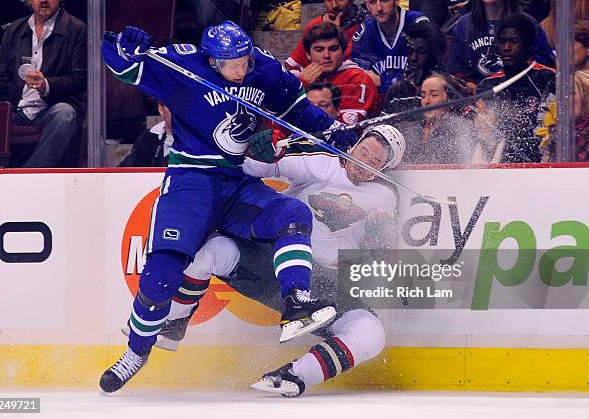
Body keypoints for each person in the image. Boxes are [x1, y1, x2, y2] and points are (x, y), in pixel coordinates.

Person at [99, 21, 357, 393]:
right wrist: (123, 42)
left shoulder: (265, 68)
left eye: (242, 60)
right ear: (211, 59)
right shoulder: (182, 63)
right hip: (191, 182)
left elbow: (300, 112)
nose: (239, 69)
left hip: (235, 182)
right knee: (159, 280)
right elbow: (121, 64)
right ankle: (136, 352)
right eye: (229, 64)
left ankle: (297, 301)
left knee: (291, 214)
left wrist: (334, 132)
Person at [124, 124, 405, 397]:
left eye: (374, 161)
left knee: (371, 332)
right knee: (211, 251)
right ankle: (174, 322)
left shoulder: (385, 197)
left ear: (383, 169)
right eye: (364, 151)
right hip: (272, 263)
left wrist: (376, 233)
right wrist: (263, 149)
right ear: (355, 145)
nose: (364, 162)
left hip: (324, 283)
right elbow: (257, 168)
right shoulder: (321, 162)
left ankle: (295, 375)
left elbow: (376, 252)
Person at [0, 0, 86, 168]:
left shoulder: (77, 29)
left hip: (52, 107)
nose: (43, 0)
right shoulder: (15, 29)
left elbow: (80, 79)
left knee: (64, 113)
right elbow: (0, 76)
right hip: (18, 108)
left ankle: (29, 174)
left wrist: (46, 85)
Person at [475, 12, 556, 163]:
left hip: (540, 164)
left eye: (514, 41)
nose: (506, 47)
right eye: (502, 41)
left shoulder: (547, 78)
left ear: (528, 44)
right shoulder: (488, 85)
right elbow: (483, 136)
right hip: (498, 165)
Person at [446, 0, 554, 92]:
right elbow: (456, 71)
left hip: (521, 93)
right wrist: (467, 83)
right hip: (479, 97)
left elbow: (544, 69)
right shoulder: (463, 25)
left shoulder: (527, 24)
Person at [298, 22, 378, 124]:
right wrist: (301, 85)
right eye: (319, 50)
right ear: (308, 55)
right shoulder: (304, 79)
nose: (326, 55)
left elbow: (348, 131)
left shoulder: (357, 79)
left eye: (333, 49)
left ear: (343, 51)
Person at [352, 0, 429, 94]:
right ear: (367, 5)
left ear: (397, 1)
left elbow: (424, 76)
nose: (379, 8)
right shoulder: (366, 29)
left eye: (385, 1)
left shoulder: (417, 22)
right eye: (373, 2)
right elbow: (360, 78)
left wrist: (382, 81)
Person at [401, 72, 475, 164]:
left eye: (434, 95)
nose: (426, 101)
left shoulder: (461, 130)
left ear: (449, 98)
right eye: (423, 95)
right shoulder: (409, 131)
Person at [286, 0, 366, 74]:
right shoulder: (315, 25)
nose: (334, 5)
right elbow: (293, 67)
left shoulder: (368, 25)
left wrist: (336, 33)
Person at [383, 19, 444, 114]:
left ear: (435, 54)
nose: (413, 58)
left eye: (421, 52)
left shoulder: (449, 87)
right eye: (410, 51)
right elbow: (385, 126)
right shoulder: (398, 89)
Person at [118, 101, 173, 167]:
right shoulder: (148, 139)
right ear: (161, 110)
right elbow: (125, 171)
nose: (180, 113)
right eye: (173, 107)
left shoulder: (189, 140)